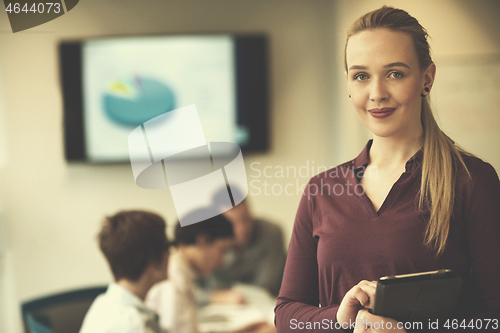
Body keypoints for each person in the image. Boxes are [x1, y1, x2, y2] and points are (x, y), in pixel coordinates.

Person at [275, 6, 500, 333]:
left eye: (395, 73)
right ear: (350, 85)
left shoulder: (472, 181)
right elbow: (286, 315)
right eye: (361, 75)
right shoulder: (321, 190)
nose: (377, 93)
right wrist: (341, 319)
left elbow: (494, 314)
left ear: (427, 79)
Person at [145, 210, 235, 333]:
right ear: (203, 240)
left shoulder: (182, 271)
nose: (222, 261)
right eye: (222, 250)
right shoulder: (173, 280)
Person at [80, 210, 170, 333]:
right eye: (167, 248)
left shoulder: (103, 303)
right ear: (152, 260)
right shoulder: (136, 326)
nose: (171, 255)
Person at [207, 187, 287, 299]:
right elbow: (197, 290)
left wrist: (232, 294)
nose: (241, 229)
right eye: (231, 224)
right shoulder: (208, 242)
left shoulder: (270, 233)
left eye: (245, 219)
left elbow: (266, 285)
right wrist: (217, 297)